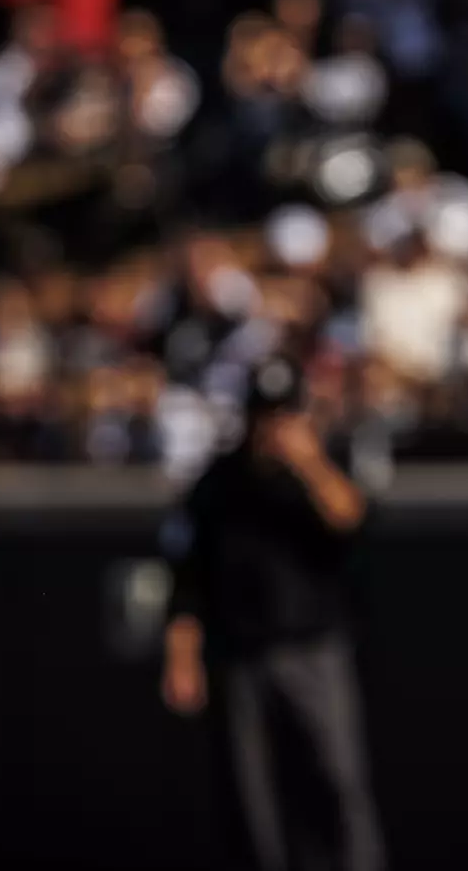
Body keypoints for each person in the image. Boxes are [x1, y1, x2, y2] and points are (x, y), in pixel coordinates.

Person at [160, 356, 385, 871]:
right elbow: (188, 575)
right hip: (240, 653)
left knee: (336, 778)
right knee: (250, 794)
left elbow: (353, 520)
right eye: (265, 415)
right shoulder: (218, 484)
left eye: (284, 414)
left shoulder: (318, 472)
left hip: (313, 649)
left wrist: (307, 463)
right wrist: (182, 653)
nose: (273, 427)